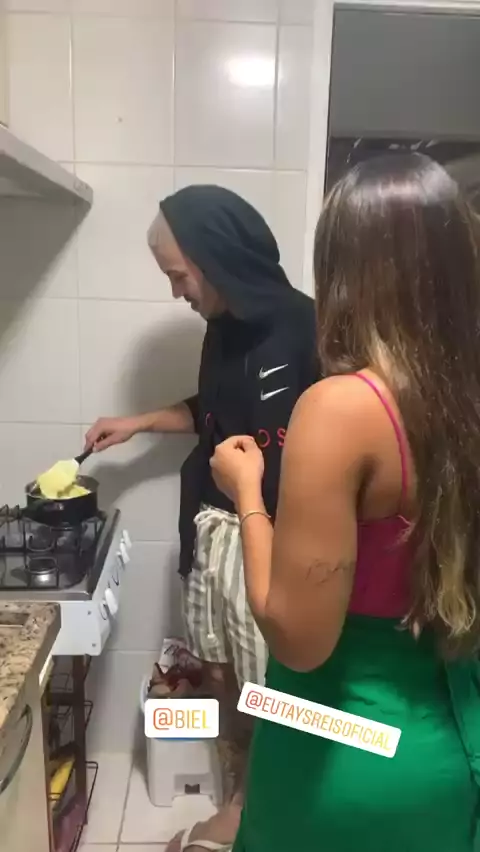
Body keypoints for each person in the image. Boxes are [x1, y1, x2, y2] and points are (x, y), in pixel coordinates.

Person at [210, 154, 480, 852]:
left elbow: (299, 641)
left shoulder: (342, 410)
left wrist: (247, 493)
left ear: (342, 272)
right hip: (450, 746)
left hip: (345, 747)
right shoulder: (463, 404)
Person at [85, 185, 317, 852]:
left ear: (215, 259)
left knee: (275, 689)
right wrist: (140, 423)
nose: (176, 292)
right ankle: (243, 791)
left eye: (178, 276)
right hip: (211, 533)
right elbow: (214, 408)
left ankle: (256, 813)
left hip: (272, 542)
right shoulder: (222, 329)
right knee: (223, 677)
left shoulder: (311, 328)